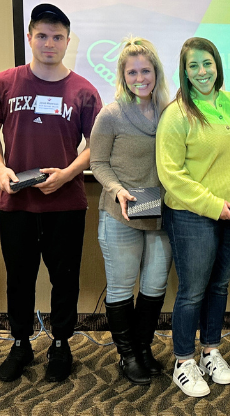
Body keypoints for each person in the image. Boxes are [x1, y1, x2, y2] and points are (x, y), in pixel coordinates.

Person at [0, 3, 102, 382]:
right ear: (29, 37)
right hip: (17, 202)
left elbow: (98, 145)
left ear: (67, 42)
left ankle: (61, 344)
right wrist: (0, 170)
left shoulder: (84, 91)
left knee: (65, 278)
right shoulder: (4, 83)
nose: (50, 43)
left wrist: (66, 175)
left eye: (58, 37)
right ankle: (20, 344)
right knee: (20, 277)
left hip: (66, 203)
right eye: (42, 36)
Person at [156, 37, 230, 397]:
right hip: (193, 214)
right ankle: (183, 361)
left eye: (207, 63)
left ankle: (211, 351)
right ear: (183, 71)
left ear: (218, 65)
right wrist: (214, 205)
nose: (202, 71)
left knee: (219, 285)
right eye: (193, 65)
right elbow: (171, 174)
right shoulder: (177, 113)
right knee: (193, 291)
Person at [90, 36, 172, 385]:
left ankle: (143, 348)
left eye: (146, 70)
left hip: (160, 214)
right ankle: (127, 356)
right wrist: (119, 190)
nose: (140, 78)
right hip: (120, 213)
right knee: (122, 287)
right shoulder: (111, 115)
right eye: (132, 72)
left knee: (154, 285)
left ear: (157, 72)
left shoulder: (170, 112)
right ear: (123, 76)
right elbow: (97, 161)